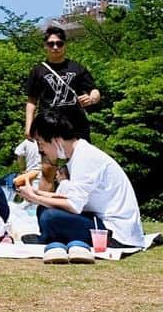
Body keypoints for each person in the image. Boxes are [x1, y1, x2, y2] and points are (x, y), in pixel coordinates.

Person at [17, 109, 145, 263]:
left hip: (115, 234)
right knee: (45, 210)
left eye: (41, 143)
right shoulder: (79, 154)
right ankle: (51, 237)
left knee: (50, 216)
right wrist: (36, 194)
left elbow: (73, 205)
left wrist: (35, 197)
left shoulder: (85, 158)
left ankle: (49, 239)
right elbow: (70, 197)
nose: (40, 150)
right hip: (101, 221)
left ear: (56, 140)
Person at [24, 24, 100, 140]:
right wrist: (28, 126)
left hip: (76, 126)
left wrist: (92, 98)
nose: (55, 47)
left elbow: (94, 90)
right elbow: (31, 101)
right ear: (45, 46)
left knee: (79, 157)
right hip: (49, 125)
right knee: (49, 157)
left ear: (65, 45)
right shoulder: (38, 71)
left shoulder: (77, 68)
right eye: (51, 44)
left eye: (59, 43)